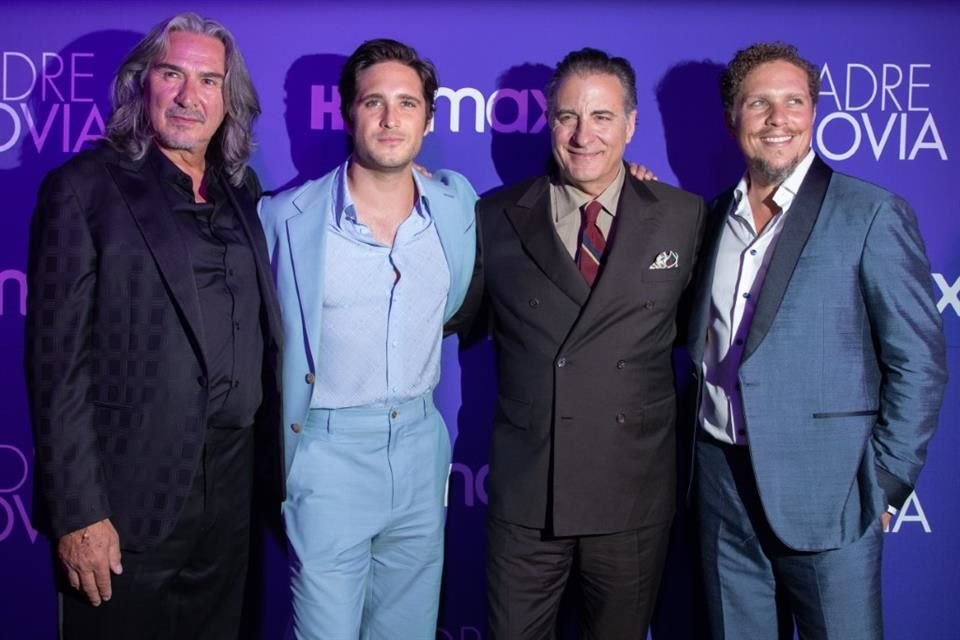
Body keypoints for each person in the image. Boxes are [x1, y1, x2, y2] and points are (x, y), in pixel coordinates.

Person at [23, 12, 281, 640]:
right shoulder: (83, 190)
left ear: (229, 99)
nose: (190, 97)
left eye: (209, 81)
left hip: (233, 488)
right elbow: (56, 367)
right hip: (127, 499)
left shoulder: (244, 194)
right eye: (173, 74)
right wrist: (79, 513)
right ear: (143, 84)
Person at [688, 42, 947, 639]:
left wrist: (883, 482)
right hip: (721, 488)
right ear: (735, 118)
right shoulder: (705, 220)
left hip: (831, 495)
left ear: (815, 112)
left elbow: (918, 362)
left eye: (794, 102)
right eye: (760, 103)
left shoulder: (871, 214)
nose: (778, 119)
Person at [455, 47, 705, 638]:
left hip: (632, 498)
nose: (583, 134)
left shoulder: (682, 216)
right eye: (568, 116)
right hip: (526, 495)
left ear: (631, 125)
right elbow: (457, 320)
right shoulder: (494, 216)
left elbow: (706, 334)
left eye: (602, 117)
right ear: (548, 121)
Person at [257, 39, 477, 640]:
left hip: (419, 448)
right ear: (348, 113)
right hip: (325, 455)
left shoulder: (458, 206)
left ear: (429, 121)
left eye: (407, 103)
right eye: (373, 101)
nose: (390, 118)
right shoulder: (284, 219)